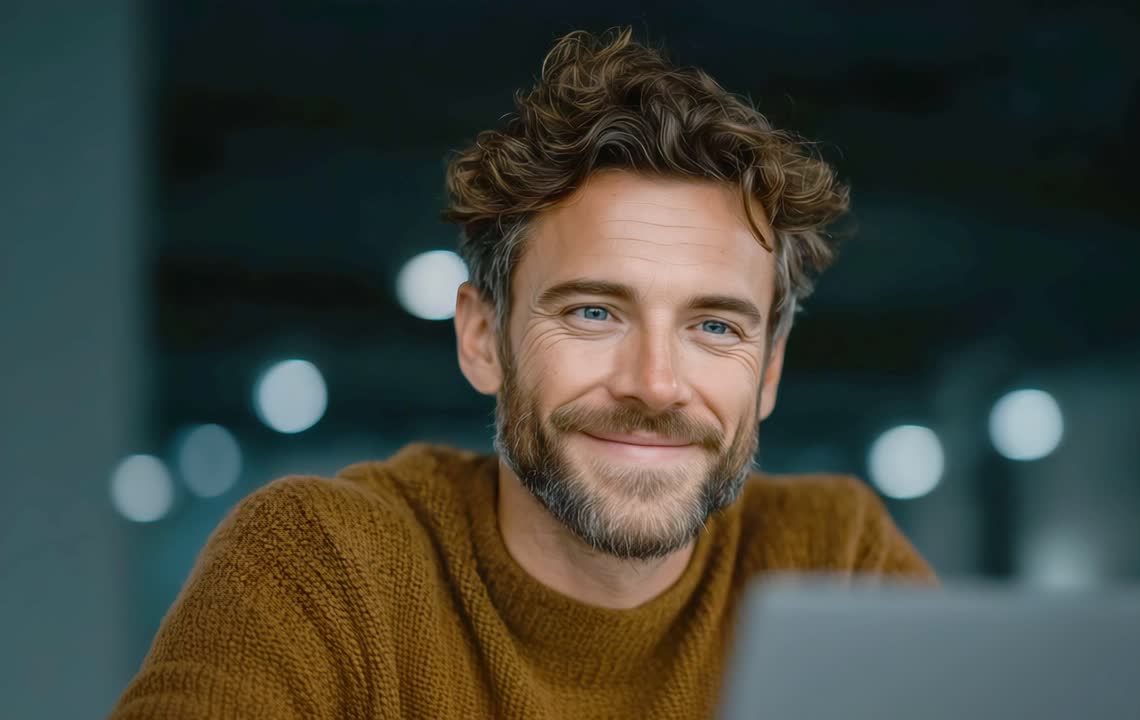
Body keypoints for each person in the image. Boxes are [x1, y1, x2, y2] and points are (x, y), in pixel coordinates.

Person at [111, 27, 934, 720]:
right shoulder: (322, 566)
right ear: (481, 337)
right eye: (592, 313)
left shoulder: (833, 560)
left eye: (714, 326)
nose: (653, 384)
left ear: (770, 372)